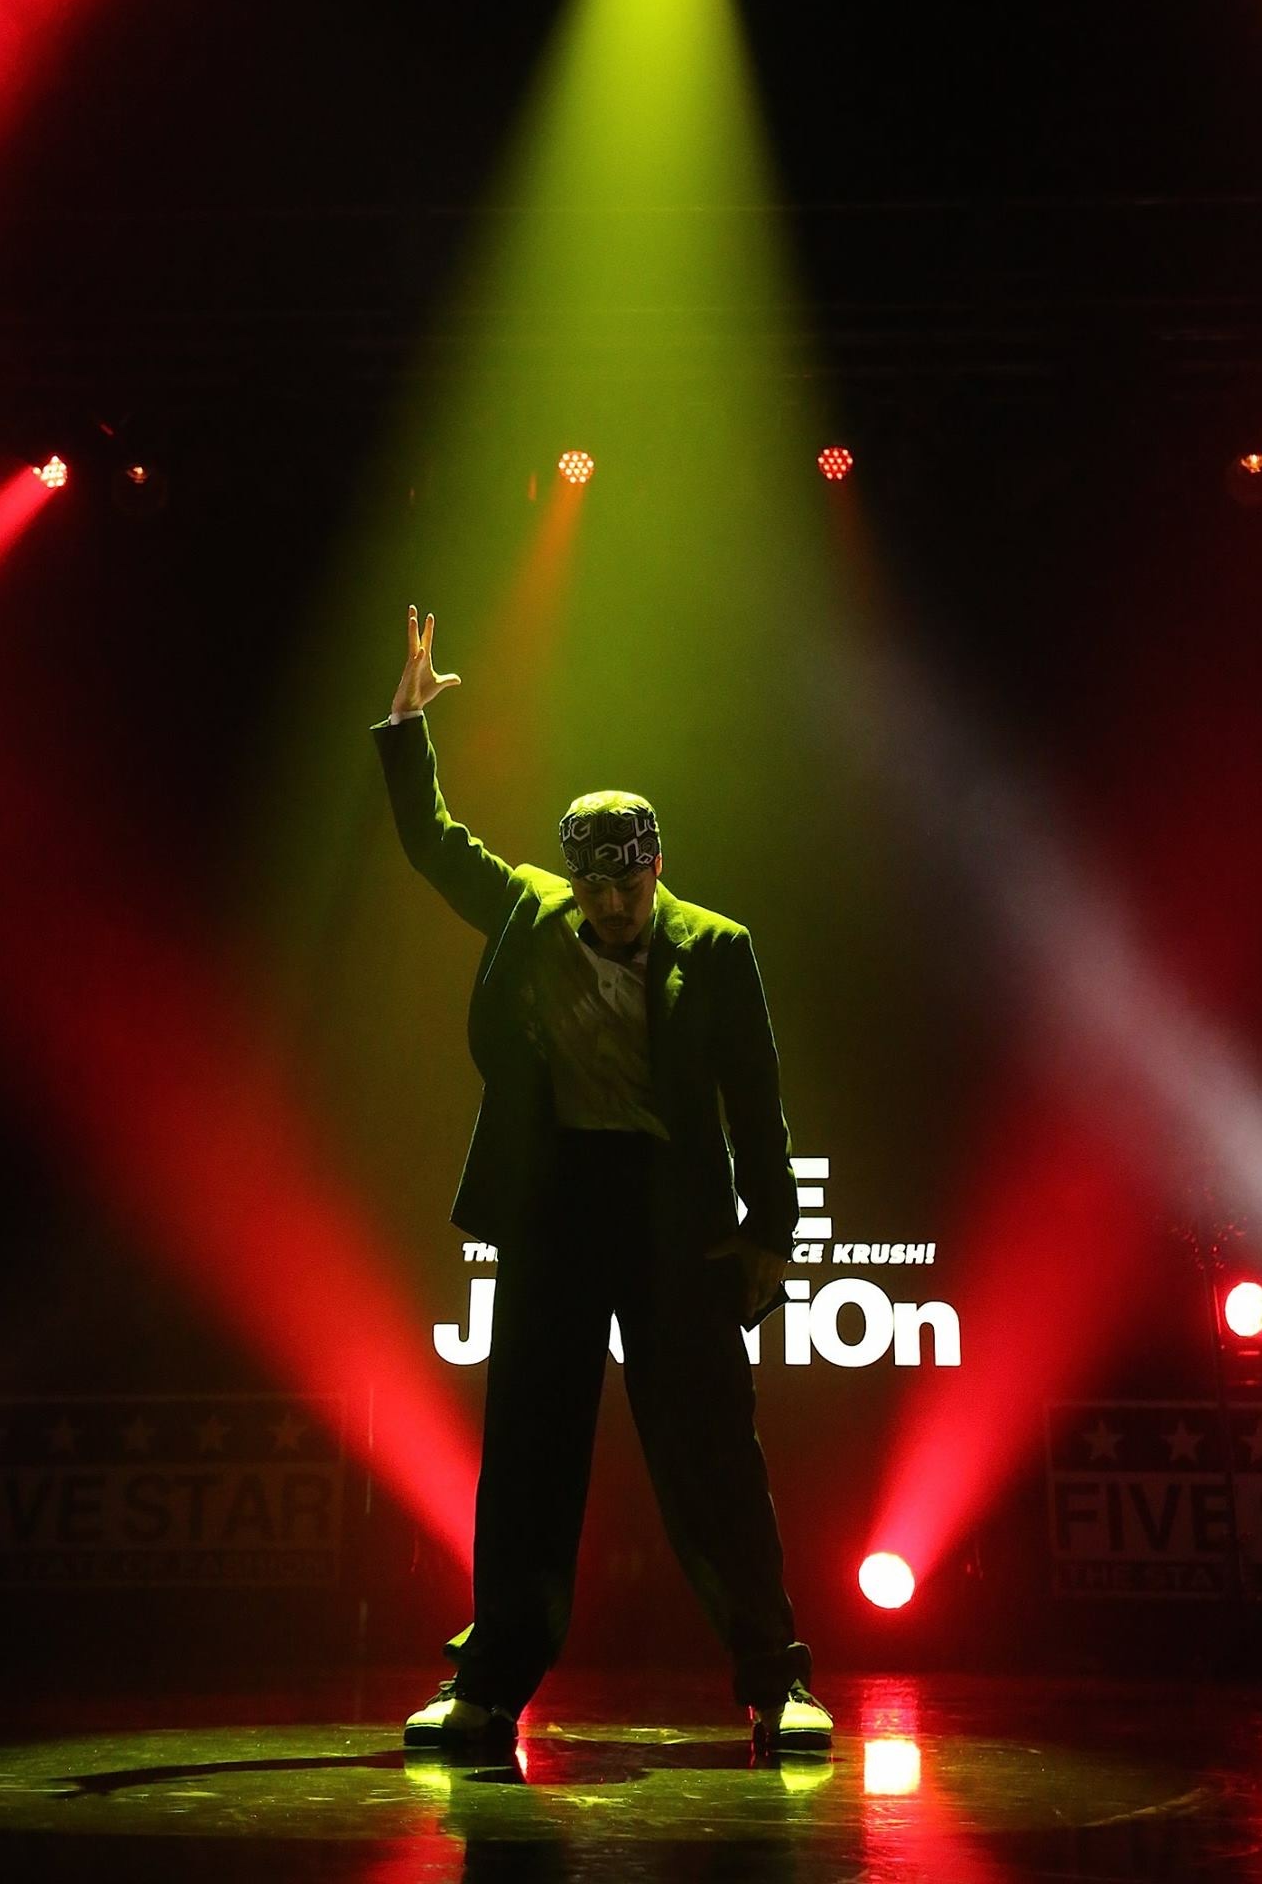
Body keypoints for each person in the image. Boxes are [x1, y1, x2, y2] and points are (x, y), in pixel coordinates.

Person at [374, 604, 831, 1754]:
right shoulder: (532, 909)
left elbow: (758, 1104)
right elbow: (435, 843)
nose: (614, 905)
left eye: (630, 885)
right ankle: (491, 1681)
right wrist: (406, 727)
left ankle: (777, 1677)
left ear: (657, 867)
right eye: (597, 886)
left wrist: (771, 1233)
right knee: (529, 1446)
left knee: (714, 1453)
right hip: (556, 1202)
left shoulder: (717, 949)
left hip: (670, 1215)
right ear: (574, 874)